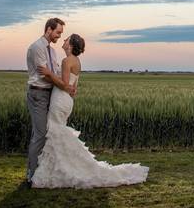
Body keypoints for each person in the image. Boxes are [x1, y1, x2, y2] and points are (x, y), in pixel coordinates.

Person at [31, 33, 149, 188]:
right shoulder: (77, 61)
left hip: (60, 99)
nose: (64, 40)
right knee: (57, 131)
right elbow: (73, 86)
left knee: (55, 131)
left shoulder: (67, 60)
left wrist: (48, 73)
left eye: (66, 39)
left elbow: (64, 84)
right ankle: (60, 167)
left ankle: (61, 169)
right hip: (66, 101)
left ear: (71, 45)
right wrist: (68, 88)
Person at [25, 17, 75, 186]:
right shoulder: (36, 48)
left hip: (50, 94)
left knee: (43, 132)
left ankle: (41, 170)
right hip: (38, 94)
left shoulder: (52, 51)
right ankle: (32, 174)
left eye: (61, 33)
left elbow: (55, 72)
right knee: (40, 134)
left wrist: (68, 85)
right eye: (58, 32)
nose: (59, 36)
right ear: (48, 29)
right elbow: (45, 75)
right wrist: (65, 86)